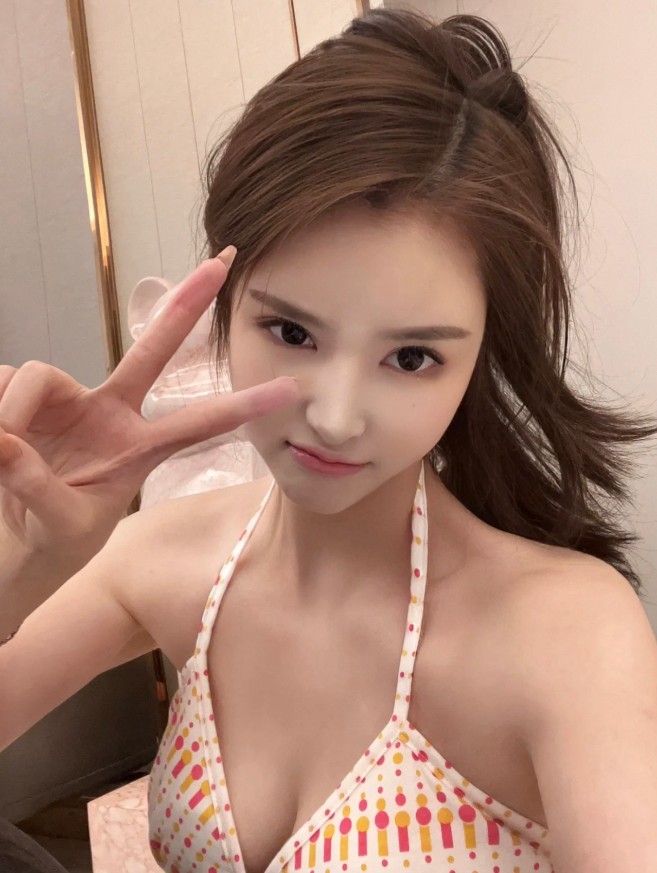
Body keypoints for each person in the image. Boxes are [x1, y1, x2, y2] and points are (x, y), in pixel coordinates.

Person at [1, 8, 657, 873]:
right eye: (292, 332)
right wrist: (18, 571)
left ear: (481, 356)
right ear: (223, 305)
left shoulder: (565, 634)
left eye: (411, 357)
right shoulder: (164, 559)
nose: (336, 416)